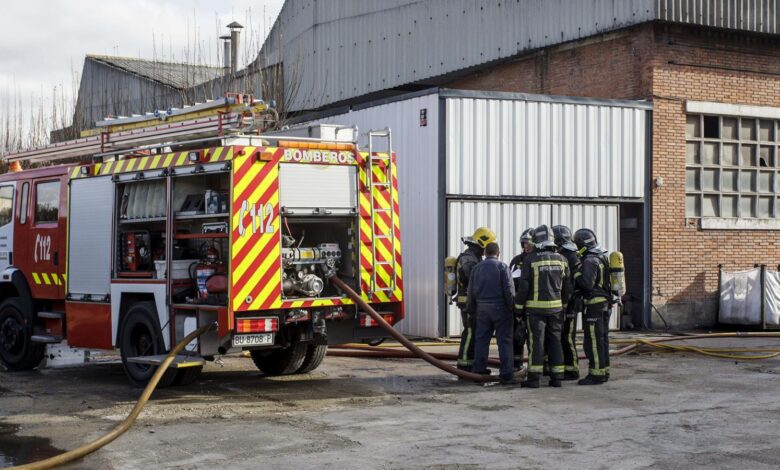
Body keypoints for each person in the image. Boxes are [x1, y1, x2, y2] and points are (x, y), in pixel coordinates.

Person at [515, 225, 571, 388]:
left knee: (536, 343)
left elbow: (523, 288)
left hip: (535, 311)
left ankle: (534, 379)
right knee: (555, 341)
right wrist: (564, 305)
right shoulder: (562, 259)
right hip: (556, 310)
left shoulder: (530, 259)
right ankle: (557, 378)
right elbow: (568, 287)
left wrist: (518, 308)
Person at [466, 242, 518, 385]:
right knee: (505, 342)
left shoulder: (476, 268)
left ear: (485, 253)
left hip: (482, 309)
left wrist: (471, 309)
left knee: (481, 340)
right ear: (498, 253)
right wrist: (512, 307)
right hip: (501, 309)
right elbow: (509, 289)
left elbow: (470, 291)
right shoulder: (502, 267)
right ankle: (506, 374)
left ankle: (479, 370)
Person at [573, 228, 611, 386]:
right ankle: (604, 370)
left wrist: (576, 274)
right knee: (602, 339)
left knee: (593, 341)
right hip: (605, 303)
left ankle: (596, 374)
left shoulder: (589, 260)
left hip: (594, 305)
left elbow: (587, 284)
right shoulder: (602, 257)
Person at [455, 227, 496, 372]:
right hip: (468, 303)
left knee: (475, 332)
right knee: (470, 331)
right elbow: (475, 280)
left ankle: (472, 363)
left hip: (473, 302)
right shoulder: (468, 260)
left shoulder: (474, 258)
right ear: (481, 244)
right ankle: (464, 364)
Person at [552, 225, 583, 381]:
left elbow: (571, 283)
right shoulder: (565, 254)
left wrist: (566, 304)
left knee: (567, 337)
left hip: (569, 304)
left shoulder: (570, 255)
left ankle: (572, 370)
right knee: (561, 336)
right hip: (563, 303)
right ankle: (564, 367)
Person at [509, 228, 534, 371]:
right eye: (523, 243)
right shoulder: (516, 261)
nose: (525, 246)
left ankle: (537, 366)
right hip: (518, 305)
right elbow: (511, 284)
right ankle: (516, 364)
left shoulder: (538, 259)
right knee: (517, 338)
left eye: (528, 243)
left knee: (534, 339)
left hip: (534, 306)